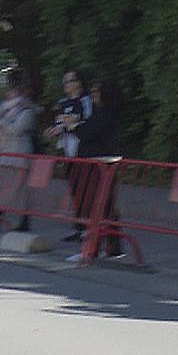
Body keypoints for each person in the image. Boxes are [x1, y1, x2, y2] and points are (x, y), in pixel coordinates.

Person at [69, 79, 126, 261]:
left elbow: (90, 133)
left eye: (96, 92)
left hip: (100, 165)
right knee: (104, 206)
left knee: (96, 205)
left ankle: (95, 248)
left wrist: (74, 126)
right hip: (95, 164)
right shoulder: (99, 112)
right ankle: (111, 246)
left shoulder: (106, 113)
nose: (93, 95)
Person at [0, 68, 39, 236]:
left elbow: (17, 129)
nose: (10, 94)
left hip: (19, 154)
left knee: (17, 189)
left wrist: (1, 124)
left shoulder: (27, 110)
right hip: (4, 153)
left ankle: (8, 219)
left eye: (14, 91)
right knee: (4, 187)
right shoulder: (3, 109)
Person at [46, 69, 94, 244]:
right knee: (75, 190)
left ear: (78, 82)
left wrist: (70, 124)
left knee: (85, 190)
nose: (66, 85)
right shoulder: (63, 102)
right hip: (68, 152)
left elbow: (88, 122)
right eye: (64, 82)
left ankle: (88, 228)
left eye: (70, 81)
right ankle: (79, 227)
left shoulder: (85, 100)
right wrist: (54, 131)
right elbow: (58, 123)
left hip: (83, 151)